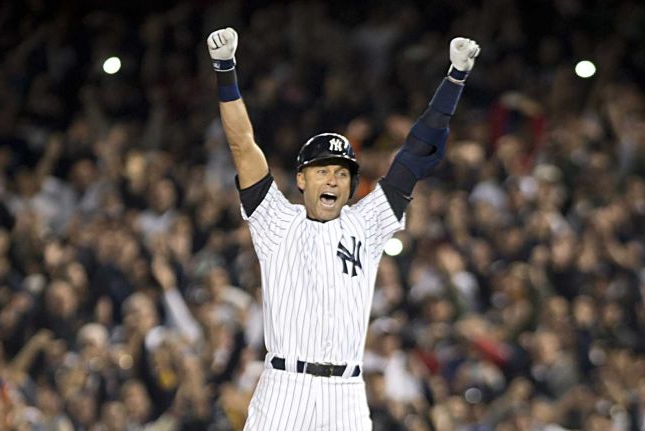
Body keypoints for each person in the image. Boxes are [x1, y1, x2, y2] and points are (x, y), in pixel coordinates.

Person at [206, 26, 480, 430]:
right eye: (322, 171)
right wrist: (225, 71)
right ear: (302, 179)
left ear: (353, 184)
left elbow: (415, 154)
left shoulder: (366, 223)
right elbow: (243, 146)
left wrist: (453, 80)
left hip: (346, 395)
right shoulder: (275, 221)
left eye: (341, 173)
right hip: (285, 388)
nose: (332, 180)